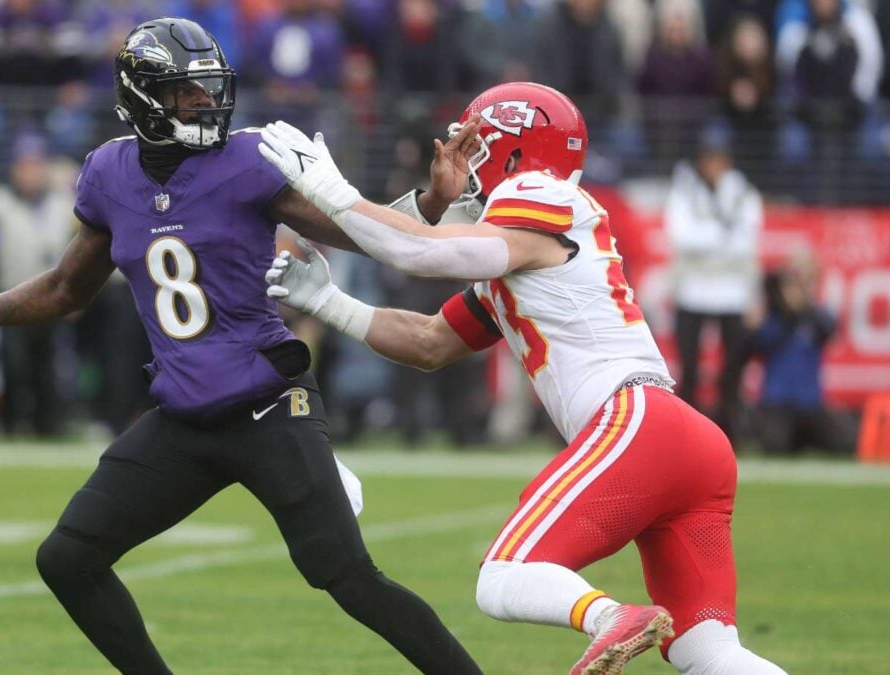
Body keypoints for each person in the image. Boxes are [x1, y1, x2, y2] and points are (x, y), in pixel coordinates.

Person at [0, 18, 481, 674]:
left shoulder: (252, 160)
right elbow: (66, 288)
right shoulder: (110, 172)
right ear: (144, 96)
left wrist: (429, 203)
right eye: (187, 92)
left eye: (209, 89)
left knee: (347, 576)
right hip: (185, 417)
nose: (207, 104)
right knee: (66, 557)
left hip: (268, 404)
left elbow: (359, 231)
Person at [258, 82, 785, 674]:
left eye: (474, 148)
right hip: (684, 439)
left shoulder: (540, 192)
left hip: (636, 423)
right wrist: (330, 302)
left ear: (512, 154)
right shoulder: (522, 248)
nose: (462, 164)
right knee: (706, 649)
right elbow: (432, 342)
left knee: (505, 575)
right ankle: (622, 621)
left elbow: (422, 254)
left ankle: (612, 619)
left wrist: (334, 194)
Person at [665, 130, 762, 441]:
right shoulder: (684, 191)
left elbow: (746, 244)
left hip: (732, 294)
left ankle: (727, 435)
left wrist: (706, 236)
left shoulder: (744, 192)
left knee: (731, 371)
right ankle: (687, 436)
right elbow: (681, 237)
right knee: (689, 370)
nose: (713, 165)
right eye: (708, 158)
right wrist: (721, 235)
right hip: (691, 291)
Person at [0, 133, 72, 436]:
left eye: (36, 165)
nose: (30, 173)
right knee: (14, 365)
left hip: (53, 299)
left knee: (48, 366)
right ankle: (12, 423)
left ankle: (48, 424)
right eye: (25, 165)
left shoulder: (62, 204)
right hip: (11, 297)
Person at [748, 256, 853, 455]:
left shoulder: (816, 315)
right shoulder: (774, 317)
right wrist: (786, 311)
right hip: (777, 403)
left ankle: (805, 440)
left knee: (846, 442)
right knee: (774, 446)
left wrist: (805, 304)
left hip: (811, 404)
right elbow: (760, 344)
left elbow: (830, 329)